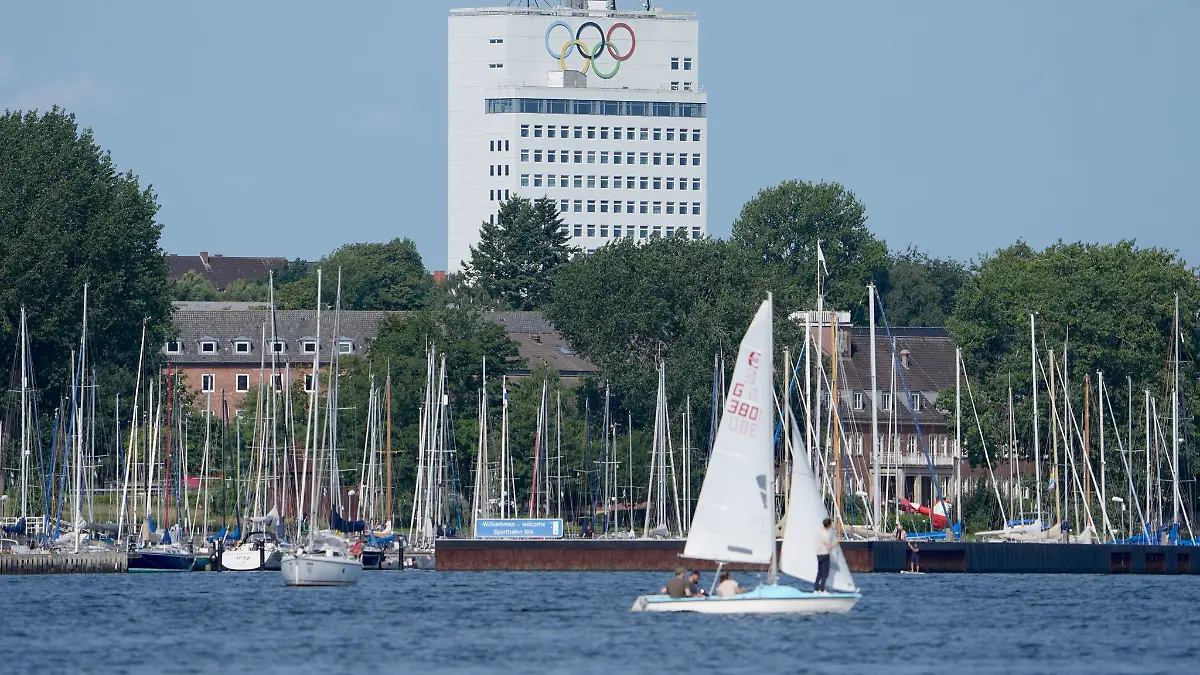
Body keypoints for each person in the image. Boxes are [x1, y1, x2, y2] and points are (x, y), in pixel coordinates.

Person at [814, 517, 835, 593]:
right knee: (825, 574)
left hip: (818, 554)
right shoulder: (826, 535)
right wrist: (836, 542)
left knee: (819, 573)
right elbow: (829, 548)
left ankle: (816, 589)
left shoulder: (819, 532)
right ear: (829, 525)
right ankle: (821, 590)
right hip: (825, 554)